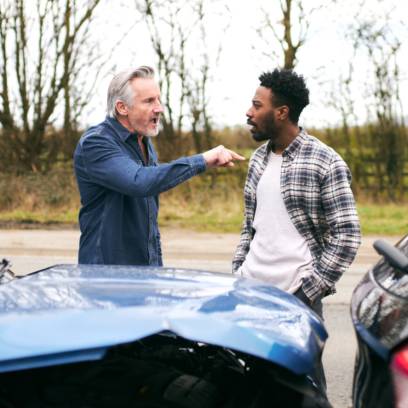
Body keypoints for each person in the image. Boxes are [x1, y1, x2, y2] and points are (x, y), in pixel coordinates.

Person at [232, 68, 362, 388]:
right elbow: (250, 225)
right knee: (251, 388)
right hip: (251, 293)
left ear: (281, 112)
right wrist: (238, 270)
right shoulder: (257, 160)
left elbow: (347, 235)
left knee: (306, 394)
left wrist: (307, 293)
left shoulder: (325, 161)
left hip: (296, 297)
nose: (249, 113)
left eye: (257, 106)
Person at [75, 66, 244, 266]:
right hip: (105, 274)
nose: (159, 108)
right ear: (122, 107)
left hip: (145, 271)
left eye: (158, 99)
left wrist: (157, 266)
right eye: (149, 101)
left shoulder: (144, 141)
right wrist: (201, 160)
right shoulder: (96, 143)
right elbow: (139, 182)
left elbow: (150, 220)